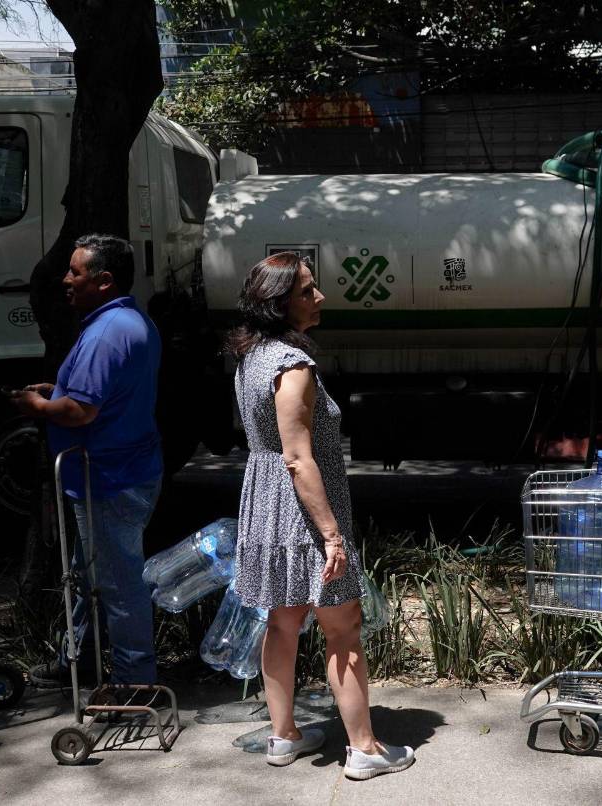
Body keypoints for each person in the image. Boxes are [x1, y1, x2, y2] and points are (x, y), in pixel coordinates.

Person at [228, 252, 414, 780]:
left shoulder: (251, 357)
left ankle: (283, 736)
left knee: (283, 623)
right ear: (278, 303)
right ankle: (365, 748)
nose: (319, 298)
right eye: (308, 291)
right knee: (343, 629)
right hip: (304, 513)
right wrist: (332, 536)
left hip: (265, 505)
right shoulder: (292, 365)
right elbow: (297, 456)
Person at [14, 234, 163, 687]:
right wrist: (57, 392)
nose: (66, 280)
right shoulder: (126, 321)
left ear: (104, 281)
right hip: (117, 472)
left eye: (75, 272)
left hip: (110, 478)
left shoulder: (106, 334)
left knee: (118, 586)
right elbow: (96, 395)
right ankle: (78, 661)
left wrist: (39, 407)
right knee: (87, 575)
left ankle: (136, 685)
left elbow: (82, 411)